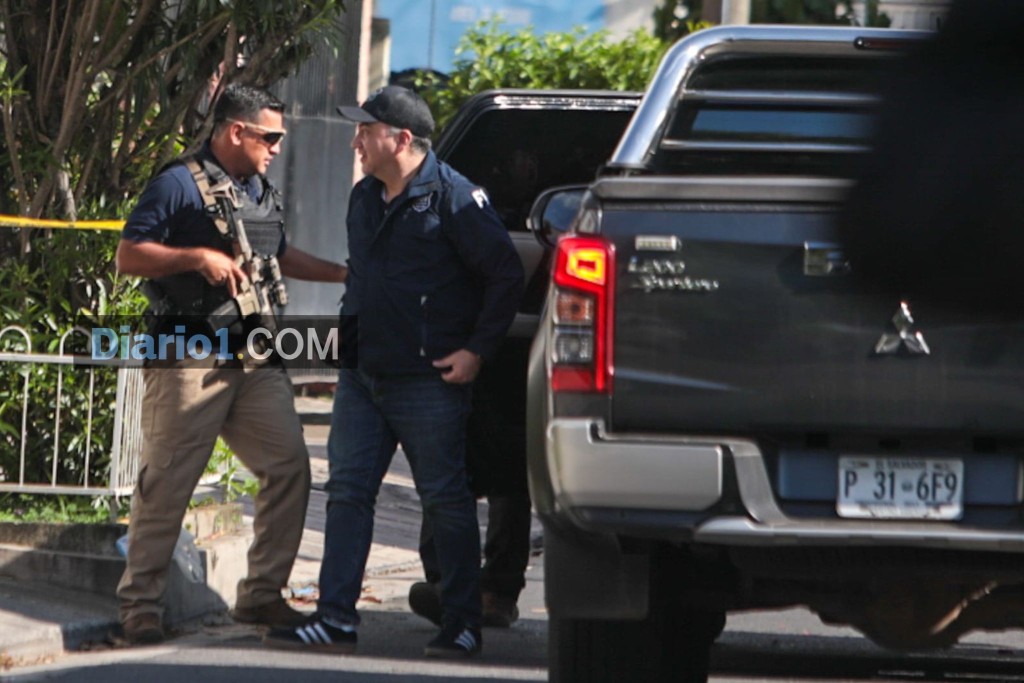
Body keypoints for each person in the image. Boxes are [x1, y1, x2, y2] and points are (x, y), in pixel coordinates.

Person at [264, 85, 524, 658]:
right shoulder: (365, 197)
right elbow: (364, 277)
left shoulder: (456, 199)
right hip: (362, 377)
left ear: (402, 139)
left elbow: (506, 275)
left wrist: (476, 351)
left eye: (367, 130)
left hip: (427, 381)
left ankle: (461, 622)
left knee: (445, 500)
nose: (356, 140)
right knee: (347, 493)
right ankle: (335, 617)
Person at [115, 83, 347, 645]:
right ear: (235, 131)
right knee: (168, 483)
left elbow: (279, 253)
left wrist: (344, 274)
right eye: (270, 136)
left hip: (254, 356)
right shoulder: (177, 183)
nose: (277, 147)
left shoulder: (258, 188)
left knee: (290, 467)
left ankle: (262, 596)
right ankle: (140, 607)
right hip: (188, 357)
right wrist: (197, 257)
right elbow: (128, 255)